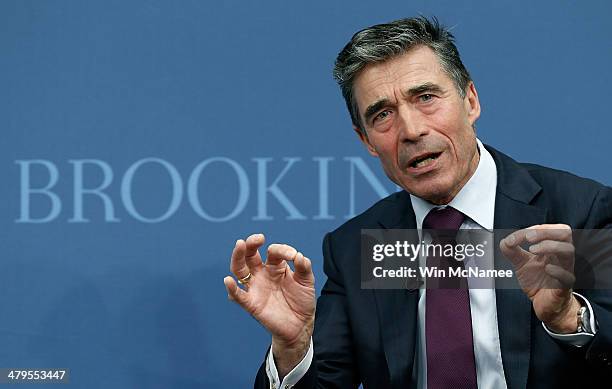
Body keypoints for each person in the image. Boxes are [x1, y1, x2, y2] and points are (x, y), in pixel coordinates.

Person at [223, 16, 612, 388]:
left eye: (426, 97)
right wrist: (293, 347)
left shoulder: (579, 212)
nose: (411, 130)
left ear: (471, 101)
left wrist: (567, 317)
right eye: (383, 115)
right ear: (366, 141)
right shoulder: (358, 247)